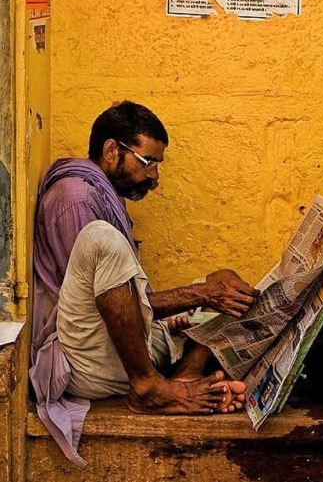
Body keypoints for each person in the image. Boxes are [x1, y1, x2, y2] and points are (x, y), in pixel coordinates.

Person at [30, 100, 259, 467]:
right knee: (102, 239)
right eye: (148, 162)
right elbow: (99, 303)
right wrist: (199, 295)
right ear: (111, 150)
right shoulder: (75, 197)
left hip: (115, 346)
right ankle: (150, 387)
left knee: (226, 282)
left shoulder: (100, 193)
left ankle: (183, 379)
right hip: (82, 358)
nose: (154, 176)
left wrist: (195, 300)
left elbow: (123, 297)